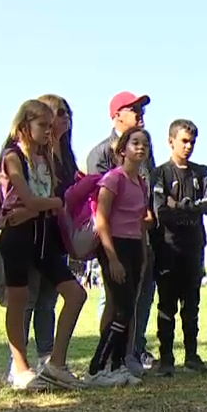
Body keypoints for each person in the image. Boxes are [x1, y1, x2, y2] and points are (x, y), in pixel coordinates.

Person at [0, 99, 86, 391]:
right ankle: (20, 367)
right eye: (43, 126)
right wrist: (52, 203)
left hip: (44, 236)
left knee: (75, 294)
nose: (49, 132)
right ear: (24, 126)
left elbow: (35, 204)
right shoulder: (12, 157)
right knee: (19, 301)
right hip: (18, 237)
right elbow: (35, 199)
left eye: (51, 126)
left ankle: (56, 363)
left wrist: (39, 207)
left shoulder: (46, 159)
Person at [86, 91, 157, 376]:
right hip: (112, 245)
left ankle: (119, 363)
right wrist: (112, 257)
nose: (141, 148)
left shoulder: (141, 181)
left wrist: (141, 249)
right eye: (135, 143)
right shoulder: (112, 175)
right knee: (120, 306)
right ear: (122, 149)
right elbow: (100, 217)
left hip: (134, 246)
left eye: (145, 144)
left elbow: (141, 219)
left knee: (129, 308)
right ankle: (98, 366)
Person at [151, 119, 207, 376]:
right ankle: (165, 358)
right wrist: (185, 208)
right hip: (167, 248)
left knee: (192, 304)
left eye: (192, 142)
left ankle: (192, 355)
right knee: (166, 304)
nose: (189, 146)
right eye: (184, 141)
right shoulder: (161, 173)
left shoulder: (201, 172)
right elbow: (161, 212)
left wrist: (181, 206)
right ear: (171, 141)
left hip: (194, 247)